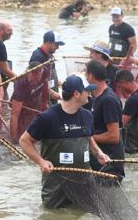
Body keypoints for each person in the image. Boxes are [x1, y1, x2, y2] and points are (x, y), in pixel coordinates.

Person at [20, 74, 109, 209]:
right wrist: (41, 161)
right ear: (76, 94)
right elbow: (24, 141)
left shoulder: (87, 115)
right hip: (56, 186)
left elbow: (88, 137)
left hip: (84, 181)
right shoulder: (47, 117)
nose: (89, 95)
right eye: (87, 91)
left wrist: (98, 153)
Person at [85, 60, 124, 178]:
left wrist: (87, 139)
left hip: (109, 165)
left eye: (86, 74)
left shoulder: (108, 100)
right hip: (100, 160)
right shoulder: (97, 97)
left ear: (90, 76)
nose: (85, 77)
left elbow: (114, 137)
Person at [115, 70, 138, 154]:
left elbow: (120, 124)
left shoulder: (133, 101)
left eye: (120, 87)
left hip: (134, 147)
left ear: (124, 82)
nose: (120, 90)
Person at [10, 61, 48, 144]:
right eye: (33, 79)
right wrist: (14, 139)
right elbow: (14, 115)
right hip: (22, 104)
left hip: (35, 100)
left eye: (37, 78)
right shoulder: (20, 83)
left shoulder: (45, 72)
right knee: (22, 133)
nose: (34, 81)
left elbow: (44, 101)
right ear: (29, 73)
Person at [29, 30, 65, 105]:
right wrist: (51, 93)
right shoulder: (37, 57)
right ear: (48, 43)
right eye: (56, 45)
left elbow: (52, 75)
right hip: (41, 99)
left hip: (51, 96)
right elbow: (34, 81)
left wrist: (63, 85)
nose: (58, 47)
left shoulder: (50, 55)